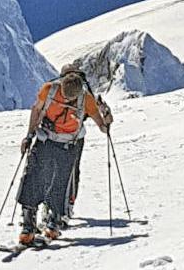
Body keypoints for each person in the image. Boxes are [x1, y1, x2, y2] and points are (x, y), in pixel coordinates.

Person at [18, 63, 113, 246]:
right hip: (68, 144)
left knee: (34, 177)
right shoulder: (85, 99)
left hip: (47, 139)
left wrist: (29, 136)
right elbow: (103, 126)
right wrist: (106, 119)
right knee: (60, 181)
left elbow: (37, 110)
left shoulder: (50, 90)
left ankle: (28, 226)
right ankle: (53, 223)